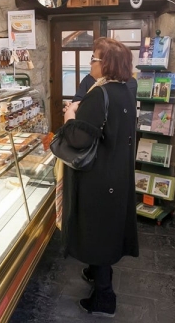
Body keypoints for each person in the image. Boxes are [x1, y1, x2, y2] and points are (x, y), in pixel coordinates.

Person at [58, 37, 138, 317]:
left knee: (98, 231)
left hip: (99, 176)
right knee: (107, 228)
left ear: (105, 64)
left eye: (93, 58)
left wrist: (70, 115)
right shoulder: (125, 90)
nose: (90, 63)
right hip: (116, 172)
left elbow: (78, 138)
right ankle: (96, 275)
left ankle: (104, 297)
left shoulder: (99, 93)